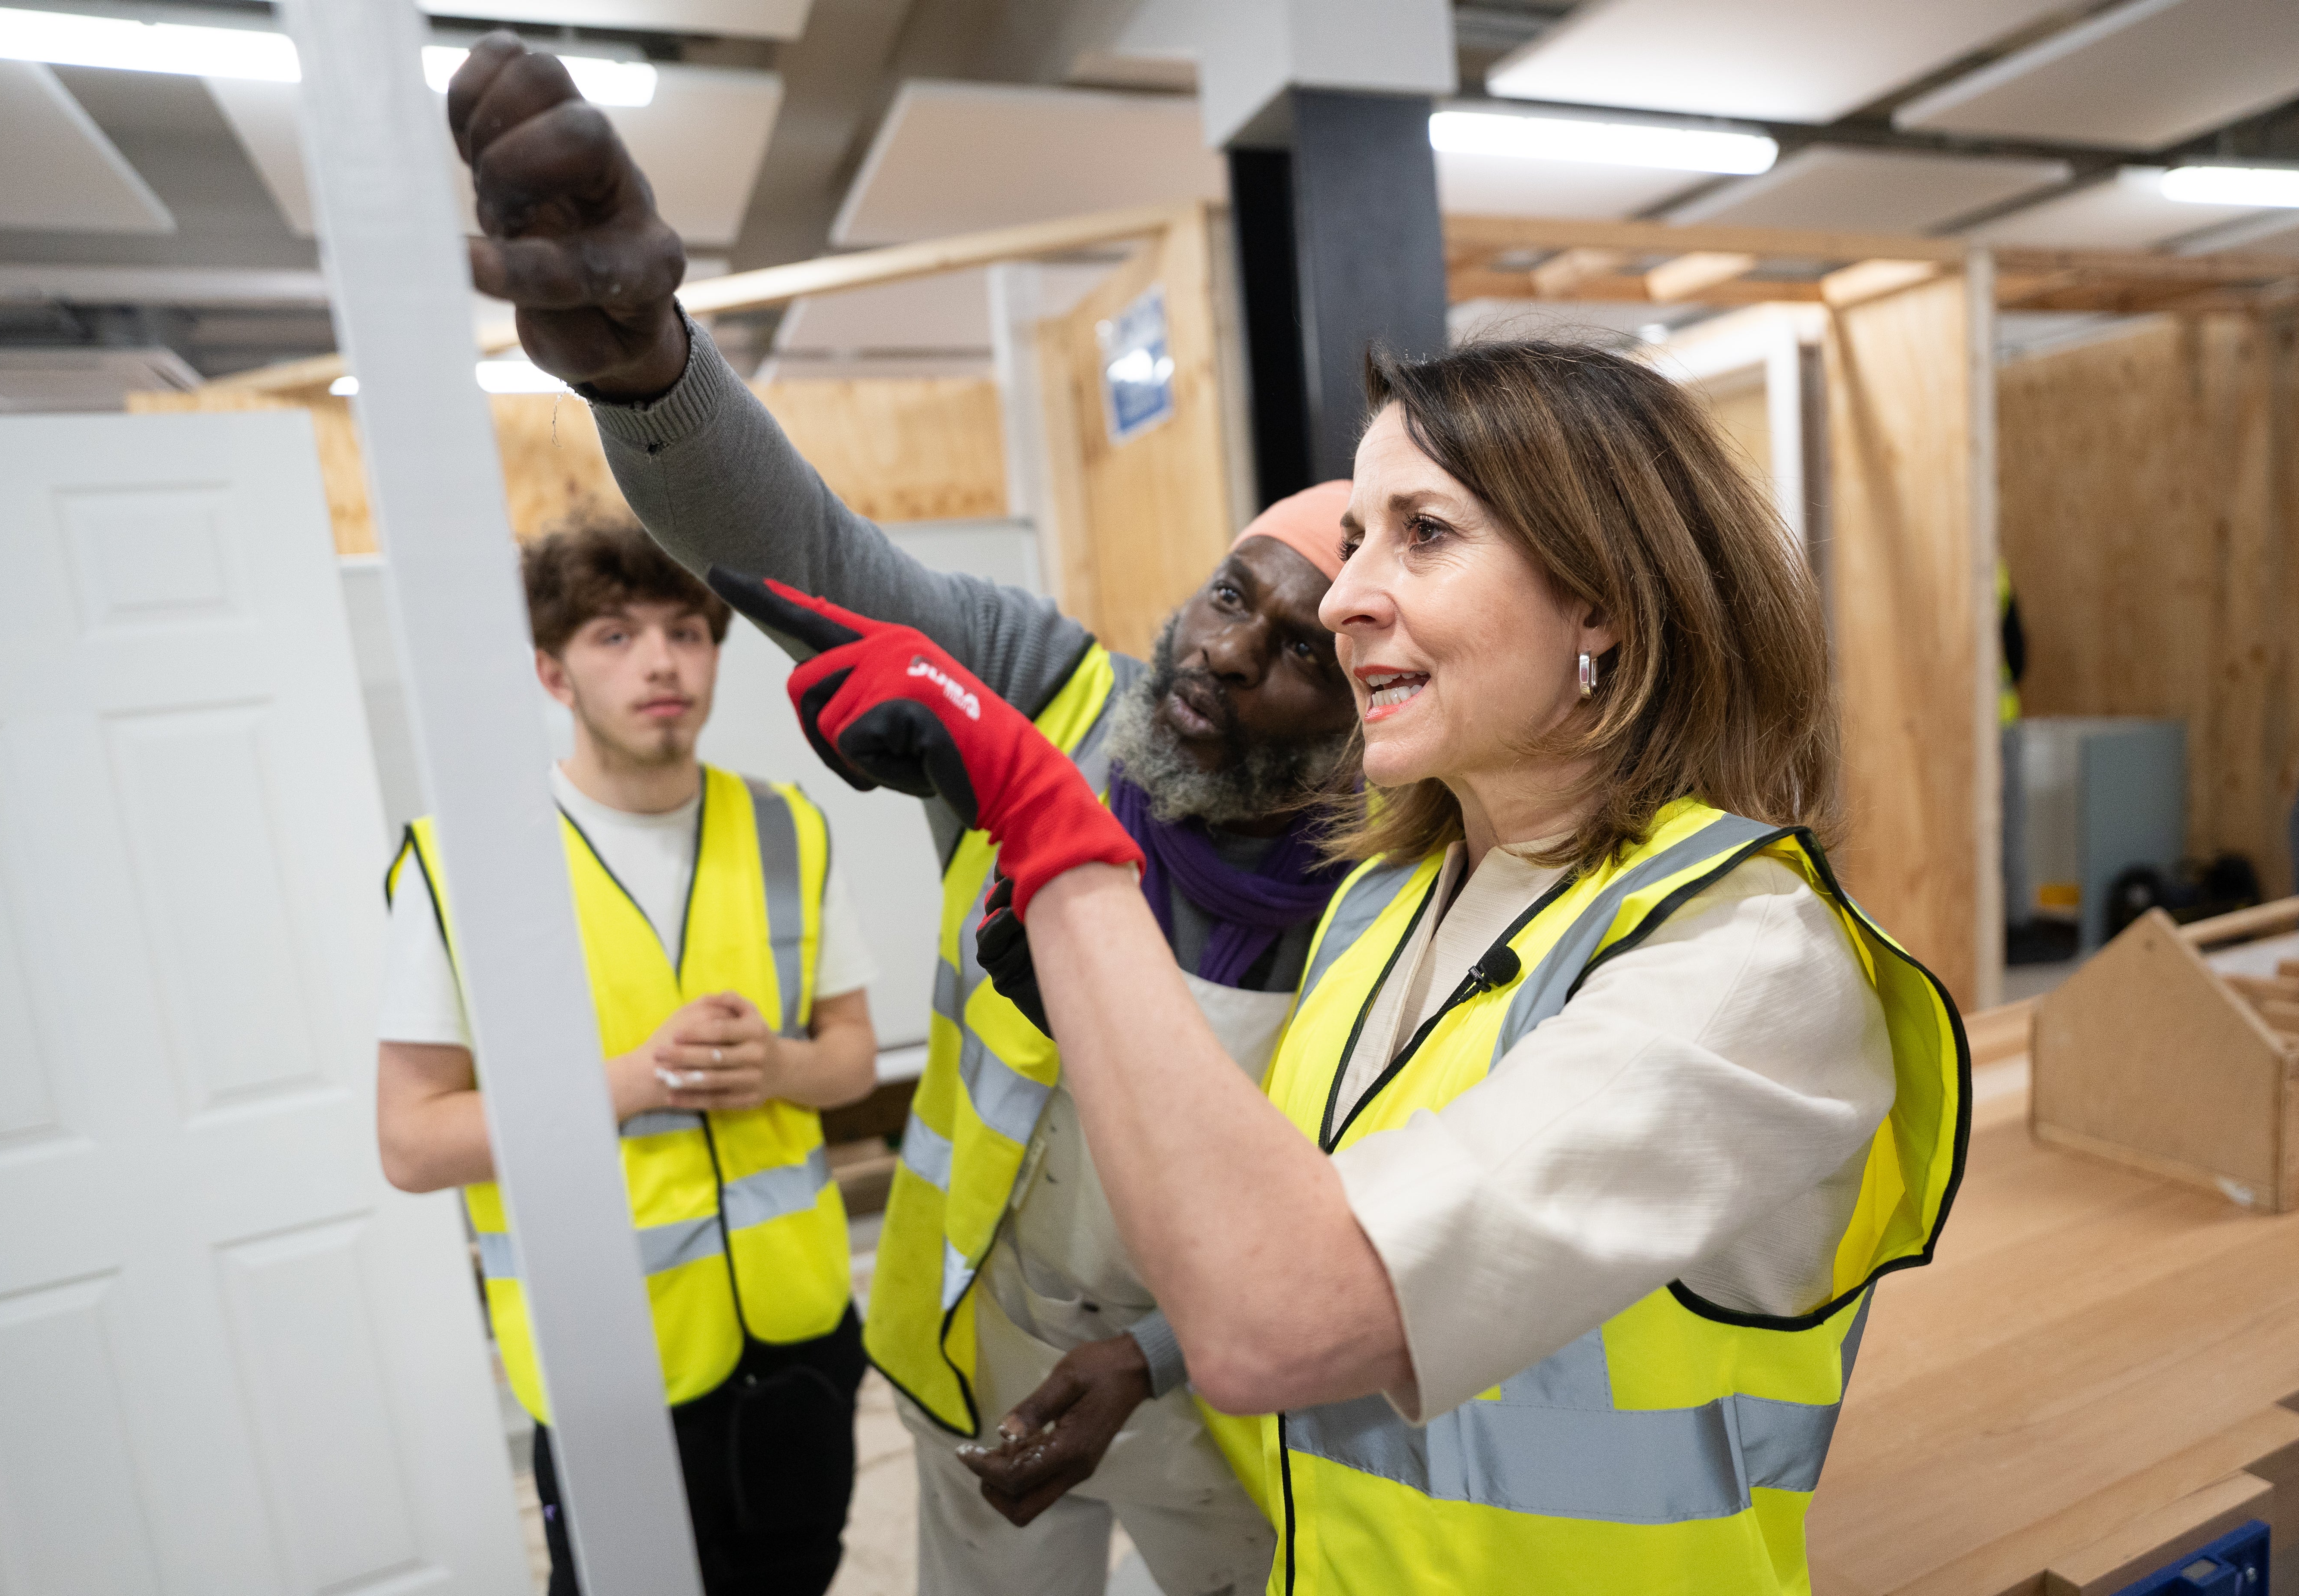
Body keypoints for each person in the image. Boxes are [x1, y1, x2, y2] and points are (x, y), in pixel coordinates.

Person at [720, 337, 1971, 1592]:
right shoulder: (1385, 902)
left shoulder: (1747, 964)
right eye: (1359, 536)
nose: (1339, 599)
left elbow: (1279, 1315)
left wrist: (1057, 836)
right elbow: (1279, 1210)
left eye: (1421, 534)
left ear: (1602, 601)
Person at [442, 35, 1349, 1595]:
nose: (1219, 654)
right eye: (1225, 596)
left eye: (1301, 655)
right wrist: (650, 366)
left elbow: (1359, 1199)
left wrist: (1150, 1352)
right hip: (966, 1364)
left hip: (1218, 1401)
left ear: (1371, 704)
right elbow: (795, 552)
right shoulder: (1045, 696)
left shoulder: (1380, 887)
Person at [375, 518, 879, 1596]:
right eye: (616, 635)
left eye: (687, 632)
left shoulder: (786, 827)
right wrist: (635, 1081)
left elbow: (849, 1058)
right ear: (552, 671)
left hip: (802, 1339)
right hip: (609, 1368)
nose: (661, 662)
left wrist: (776, 1071)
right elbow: (414, 1143)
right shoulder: (464, 865)